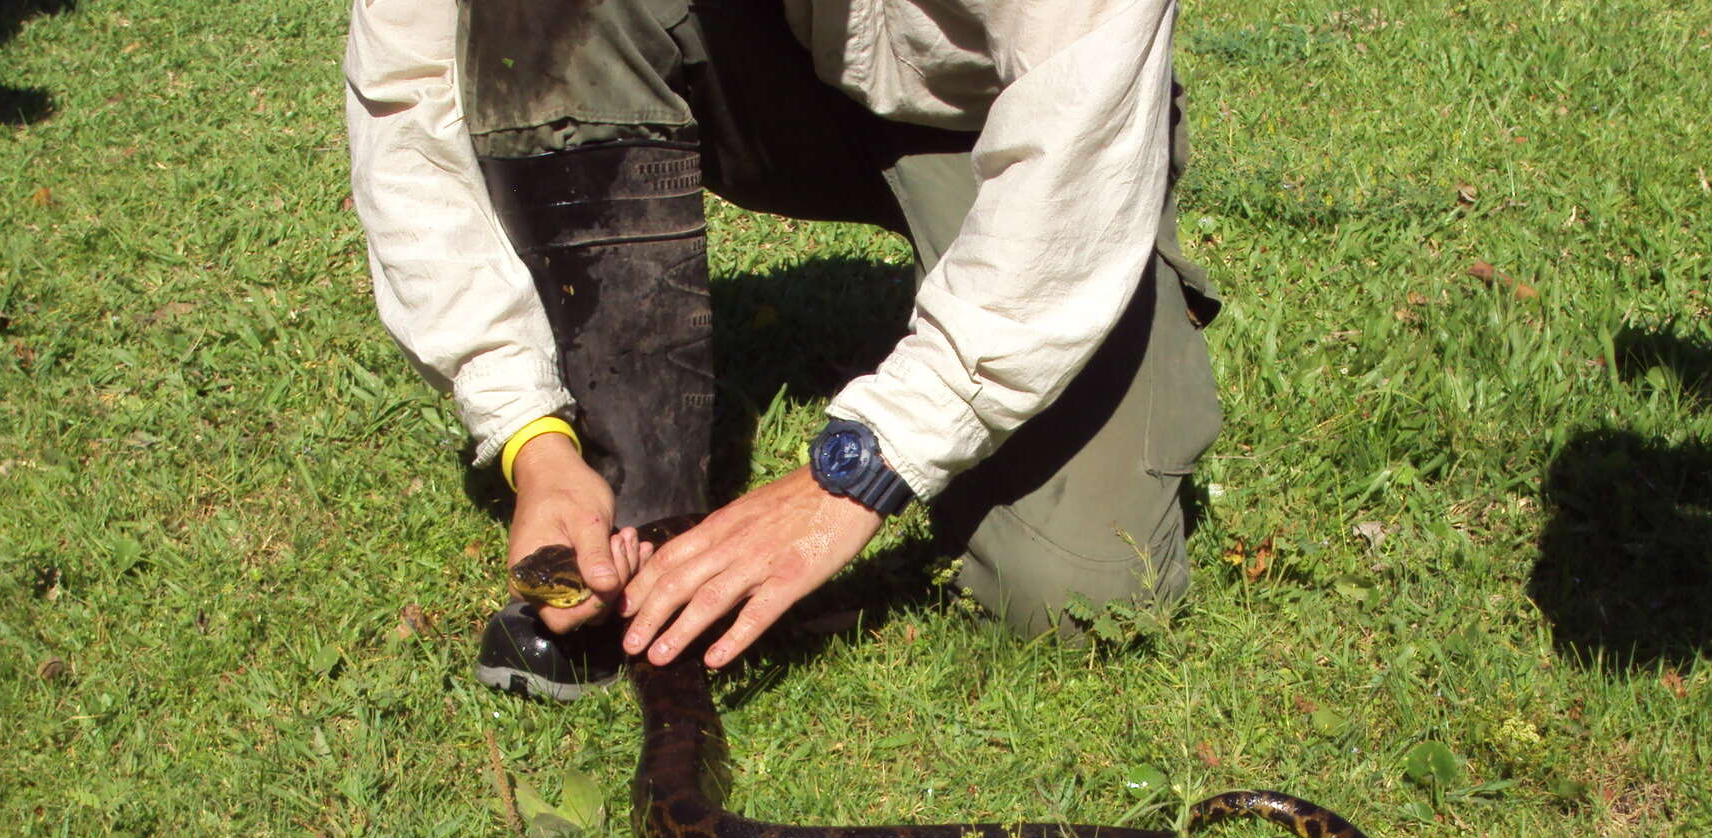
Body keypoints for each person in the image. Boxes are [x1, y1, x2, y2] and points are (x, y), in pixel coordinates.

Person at [345, 0, 1223, 700]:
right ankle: (633, 521)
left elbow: (1075, 156)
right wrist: (530, 434)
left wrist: (859, 474)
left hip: (1002, 111)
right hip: (763, 72)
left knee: (1072, 592)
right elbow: (412, 91)